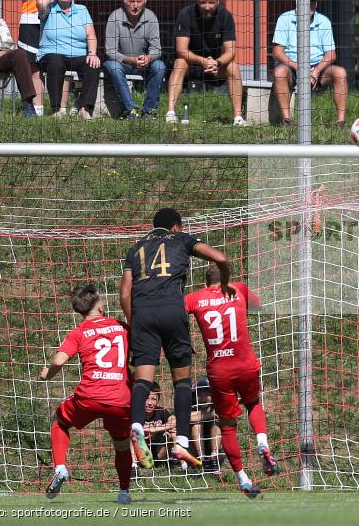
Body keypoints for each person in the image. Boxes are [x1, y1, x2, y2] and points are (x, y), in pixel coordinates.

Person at [119, 207, 233, 470]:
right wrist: (225, 281)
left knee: (143, 379)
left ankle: (136, 424)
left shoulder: (136, 248)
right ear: (177, 227)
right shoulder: (181, 239)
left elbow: (125, 293)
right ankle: (181, 440)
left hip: (143, 313)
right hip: (172, 309)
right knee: (182, 381)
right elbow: (220, 257)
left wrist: (133, 322)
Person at [186, 264, 278, 497]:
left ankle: (243, 478)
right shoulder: (239, 289)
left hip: (219, 371)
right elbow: (258, 305)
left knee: (227, 426)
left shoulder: (195, 298)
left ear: (205, 283)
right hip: (245, 365)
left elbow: (175, 314)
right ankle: (262, 442)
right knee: (253, 403)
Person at [38, 284, 133, 505]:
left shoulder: (79, 332)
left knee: (59, 420)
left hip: (89, 397)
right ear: (99, 307)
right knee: (121, 444)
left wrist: (47, 375)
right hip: (121, 398)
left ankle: (60, 467)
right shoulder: (122, 326)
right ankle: (124, 492)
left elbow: (59, 360)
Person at [12, 0, 88, 116]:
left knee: (61, 60)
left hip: (59, 15)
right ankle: (37, 108)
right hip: (30, 14)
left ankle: (59, 108)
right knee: (32, 64)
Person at [165, 0, 247, 127]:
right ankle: (170, 113)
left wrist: (216, 63)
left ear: (218, 0)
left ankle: (238, 118)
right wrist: (202, 61)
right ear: (197, 1)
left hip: (214, 67)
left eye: (210, 2)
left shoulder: (225, 16)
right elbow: (181, 50)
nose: (207, 6)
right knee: (179, 62)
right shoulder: (186, 14)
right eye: (203, 2)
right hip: (190, 65)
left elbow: (231, 51)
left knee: (233, 67)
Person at [272, 0, 348, 127]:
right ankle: (287, 120)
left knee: (340, 73)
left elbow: (331, 54)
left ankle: (341, 122)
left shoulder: (324, 21)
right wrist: (298, 67)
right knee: (279, 72)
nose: (309, 5)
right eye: (305, 1)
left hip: (318, 67)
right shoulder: (285, 19)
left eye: (312, 1)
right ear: (297, 2)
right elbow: (277, 52)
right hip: (292, 66)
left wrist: (316, 71)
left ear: (316, 3)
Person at [35, 0, 99, 120]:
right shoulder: (49, 9)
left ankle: (84, 108)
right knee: (56, 61)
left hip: (77, 55)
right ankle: (56, 109)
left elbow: (91, 34)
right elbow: (40, 1)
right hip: (51, 54)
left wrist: (92, 53)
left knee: (93, 65)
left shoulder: (82, 10)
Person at [104, 0, 165, 119]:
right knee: (112, 66)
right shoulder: (115, 17)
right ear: (125, 1)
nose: (135, 5)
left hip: (143, 63)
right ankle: (130, 110)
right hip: (121, 63)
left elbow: (157, 49)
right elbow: (110, 51)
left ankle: (149, 111)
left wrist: (148, 58)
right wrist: (130, 59)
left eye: (139, 1)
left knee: (160, 66)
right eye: (132, 1)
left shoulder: (151, 17)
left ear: (145, 1)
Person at [189, 378, 221, 473]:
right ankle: (202, 459)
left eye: (207, 395)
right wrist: (209, 415)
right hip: (194, 444)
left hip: (215, 441)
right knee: (196, 424)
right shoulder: (191, 405)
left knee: (216, 423)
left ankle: (214, 458)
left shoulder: (217, 403)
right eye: (200, 395)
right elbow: (186, 418)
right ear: (195, 396)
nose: (203, 398)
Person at [141, 382, 175, 465]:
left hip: (159, 452)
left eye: (153, 399)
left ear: (158, 400)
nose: (149, 403)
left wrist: (155, 429)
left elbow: (175, 421)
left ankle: (182, 463)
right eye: (146, 398)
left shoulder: (161, 412)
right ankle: (135, 464)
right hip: (142, 453)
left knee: (173, 430)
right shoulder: (136, 412)